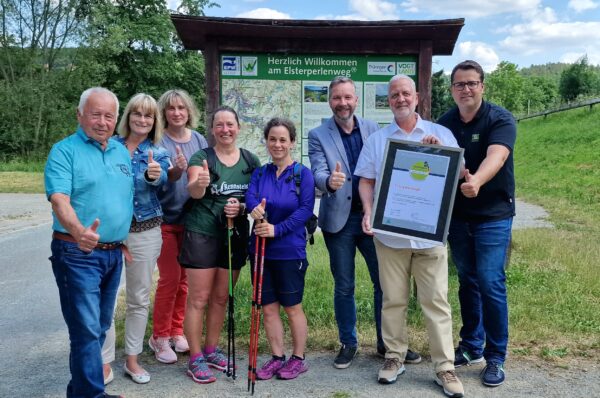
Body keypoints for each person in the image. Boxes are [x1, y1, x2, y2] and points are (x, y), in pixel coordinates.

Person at [355, 75, 465, 398]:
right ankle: (393, 357)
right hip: (390, 238)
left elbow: (458, 172)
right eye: (394, 95)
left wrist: (440, 152)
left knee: (436, 302)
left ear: (416, 97)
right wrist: (367, 210)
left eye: (405, 93)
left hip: (429, 239)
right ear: (388, 101)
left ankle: (445, 367)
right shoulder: (378, 140)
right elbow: (366, 181)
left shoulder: (441, 133)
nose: (400, 99)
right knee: (393, 300)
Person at [308, 76, 421, 369]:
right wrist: (329, 183)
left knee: (385, 284)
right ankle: (349, 342)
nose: (342, 103)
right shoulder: (318, 134)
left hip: (374, 219)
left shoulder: (375, 129)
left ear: (356, 100)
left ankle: (389, 344)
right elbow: (318, 171)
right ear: (329, 101)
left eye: (347, 97)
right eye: (336, 98)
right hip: (340, 222)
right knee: (344, 285)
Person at [45, 87, 132, 398]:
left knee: (100, 326)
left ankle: (80, 392)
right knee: (85, 330)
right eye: (95, 114)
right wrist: (79, 230)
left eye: (109, 115)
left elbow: (122, 198)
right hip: (76, 251)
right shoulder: (64, 151)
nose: (102, 121)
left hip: (112, 254)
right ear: (79, 115)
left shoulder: (121, 152)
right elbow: (59, 199)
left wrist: (120, 237)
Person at [437, 60, 516, 387]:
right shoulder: (445, 122)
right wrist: (431, 149)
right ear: (452, 89)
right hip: (459, 217)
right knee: (467, 280)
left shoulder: (500, 119)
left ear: (482, 86)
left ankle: (496, 355)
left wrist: (478, 181)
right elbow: (436, 158)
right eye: (459, 84)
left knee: (490, 280)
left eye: (472, 83)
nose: (466, 89)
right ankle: (471, 345)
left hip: (493, 215)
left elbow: (496, 157)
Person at [180, 105, 259, 384]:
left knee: (221, 297)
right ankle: (195, 357)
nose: (225, 130)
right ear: (212, 130)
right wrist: (200, 183)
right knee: (199, 297)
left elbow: (259, 201)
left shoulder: (251, 161)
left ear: (238, 127)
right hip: (202, 232)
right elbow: (194, 189)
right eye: (219, 125)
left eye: (230, 124)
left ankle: (212, 350)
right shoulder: (202, 157)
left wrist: (241, 208)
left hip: (234, 235)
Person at [101, 93, 170, 384]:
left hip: (145, 231)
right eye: (137, 114)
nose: (142, 120)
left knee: (138, 299)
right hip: (110, 232)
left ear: (155, 121)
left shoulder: (158, 152)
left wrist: (155, 176)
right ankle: (104, 362)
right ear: (127, 116)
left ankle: (132, 359)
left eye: (149, 116)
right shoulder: (108, 147)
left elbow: (162, 180)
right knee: (103, 297)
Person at [246, 117, 315, 381]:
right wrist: (256, 210)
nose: (277, 144)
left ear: (292, 143)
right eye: (272, 139)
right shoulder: (260, 173)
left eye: (283, 139)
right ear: (266, 142)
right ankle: (277, 356)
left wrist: (276, 229)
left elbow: (305, 210)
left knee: (292, 306)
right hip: (261, 251)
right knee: (269, 307)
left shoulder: (302, 174)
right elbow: (251, 196)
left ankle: (298, 358)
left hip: (290, 251)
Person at [149, 89, 208, 364]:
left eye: (181, 108)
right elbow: (157, 180)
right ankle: (158, 337)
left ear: (189, 111)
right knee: (169, 279)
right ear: (164, 112)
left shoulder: (198, 139)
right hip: (165, 220)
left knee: (185, 281)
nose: (176, 113)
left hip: (192, 220)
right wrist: (175, 172)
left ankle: (176, 330)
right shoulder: (157, 140)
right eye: (171, 108)